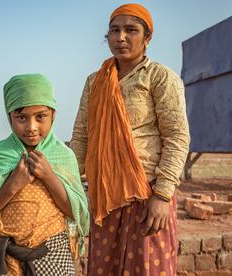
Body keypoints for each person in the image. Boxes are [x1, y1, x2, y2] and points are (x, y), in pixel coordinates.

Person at [70, 3, 190, 275]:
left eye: (131, 30)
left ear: (147, 38)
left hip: (147, 193)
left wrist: (162, 194)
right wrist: (73, 190)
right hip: (104, 196)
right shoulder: (95, 81)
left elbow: (177, 137)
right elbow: (81, 136)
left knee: (146, 268)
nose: (121, 37)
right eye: (114, 30)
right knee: (104, 267)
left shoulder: (161, 77)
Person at [0, 74, 89, 275]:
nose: (31, 127)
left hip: (54, 254)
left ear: (53, 115)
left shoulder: (63, 156)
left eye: (40, 116)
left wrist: (49, 176)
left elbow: (76, 212)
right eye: (21, 117)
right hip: (8, 258)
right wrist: (13, 184)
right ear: (9, 116)